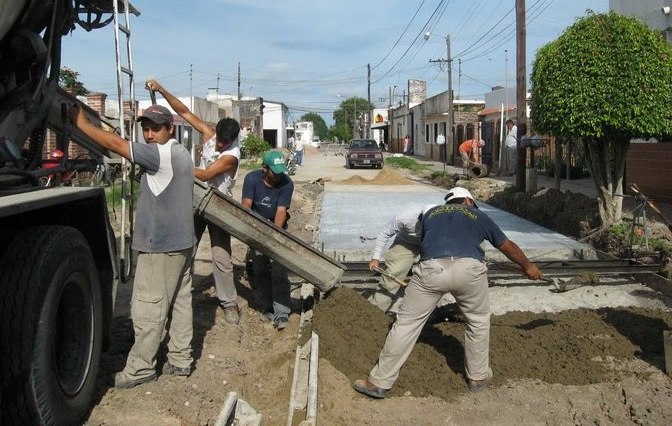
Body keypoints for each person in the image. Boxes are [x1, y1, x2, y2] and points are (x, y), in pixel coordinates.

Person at [353, 187, 542, 398]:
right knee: (478, 321)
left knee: (406, 324)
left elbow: (431, 242)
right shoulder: (478, 215)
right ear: (468, 201)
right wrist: (528, 266)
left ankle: (378, 382)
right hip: (469, 272)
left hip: (432, 269)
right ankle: (478, 377)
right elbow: (506, 246)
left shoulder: (430, 214)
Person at [69, 103, 197, 388]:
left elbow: (116, 144)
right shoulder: (182, 153)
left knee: (148, 308)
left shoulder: (160, 155)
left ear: (170, 129)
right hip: (183, 243)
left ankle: (140, 368)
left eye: (155, 129)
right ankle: (180, 359)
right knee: (180, 303)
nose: (149, 135)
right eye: (146, 129)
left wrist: (81, 123)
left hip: (160, 245)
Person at [145, 80, 242, 326]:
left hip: (219, 206)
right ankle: (177, 295)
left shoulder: (231, 156)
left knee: (221, 257)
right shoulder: (210, 136)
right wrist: (161, 89)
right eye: (219, 140)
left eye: (224, 143)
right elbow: (184, 112)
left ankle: (229, 302)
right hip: (196, 200)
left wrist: (174, 165)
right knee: (185, 248)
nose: (219, 145)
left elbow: (207, 175)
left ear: (232, 141)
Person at [241, 151, 295, 331]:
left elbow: (281, 211)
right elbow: (246, 206)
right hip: (257, 226)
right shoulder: (251, 179)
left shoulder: (287, 183)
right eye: (275, 172)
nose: (279, 175)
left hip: (276, 227)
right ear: (264, 168)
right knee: (260, 268)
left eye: (281, 171)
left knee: (279, 270)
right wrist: (249, 229)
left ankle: (281, 312)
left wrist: (275, 237)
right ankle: (266, 306)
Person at [367, 204, 434, 313]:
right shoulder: (404, 218)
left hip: (433, 243)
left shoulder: (444, 219)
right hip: (406, 243)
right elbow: (384, 234)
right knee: (393, 274)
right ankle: (375, 310)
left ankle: (432, 309)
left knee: (438, 274)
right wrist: (375, 258)